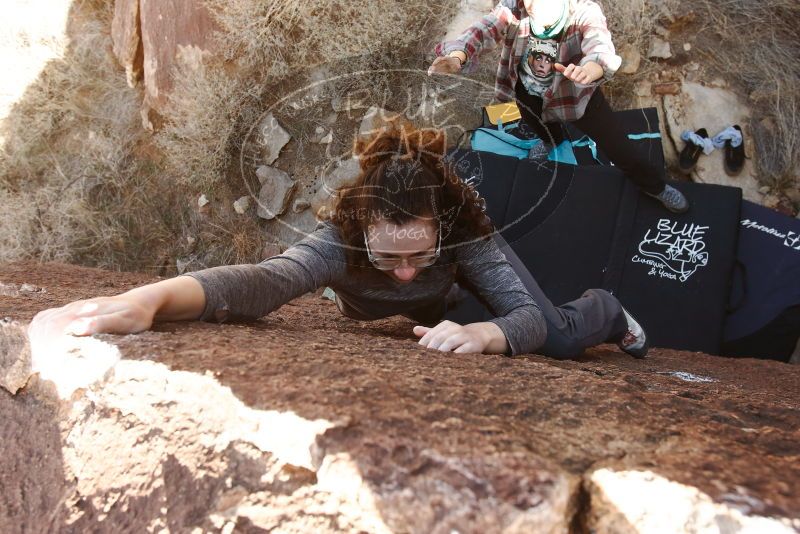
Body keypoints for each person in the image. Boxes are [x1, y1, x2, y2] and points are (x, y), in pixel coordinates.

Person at [28, 126, 648, 360]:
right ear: (362, 236)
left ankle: (609, 307)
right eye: (389, 257)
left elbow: (526, 318)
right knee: (421, 302)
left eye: (418, 255)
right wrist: (152, 300)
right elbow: (264, 282)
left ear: (441, 235)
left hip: (452, 300)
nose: (404, 271)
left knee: (557, 337)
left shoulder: (463, 236)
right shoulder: (338, 244)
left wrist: (493, 334)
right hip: (413, 311)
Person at [428, 0, 690, 214]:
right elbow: (482, 31)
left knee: (621, 149)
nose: (532, 6)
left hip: (576, 98)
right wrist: (456, 57)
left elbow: (599, 45)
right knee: (542, 129)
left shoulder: (584, 12)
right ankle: (552, 142)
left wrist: (591, 68)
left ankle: (654, 187)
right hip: (528, 93)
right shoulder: (515, 9)